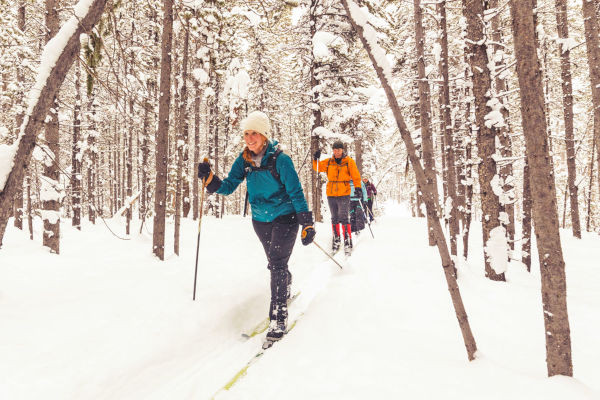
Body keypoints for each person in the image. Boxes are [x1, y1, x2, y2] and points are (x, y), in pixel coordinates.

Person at [197, 111, 315, 345]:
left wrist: (307, 222)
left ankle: (278, 317)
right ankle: (286, 283)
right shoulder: (244, 160)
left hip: (285, 217)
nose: (250, 138)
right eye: (246, 134)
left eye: (254, 134)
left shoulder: (281, 160)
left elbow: (295, 192)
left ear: (265, 135)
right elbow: (229, 186)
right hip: (260, 220)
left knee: (277, 264)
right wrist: (210, 180)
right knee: (275, 263)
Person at [312, 140, 361, 255]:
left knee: (344, 217)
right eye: (334, 150)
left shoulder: (348, 162)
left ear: (342, 150)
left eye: (338, 149)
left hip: (344, 192)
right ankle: (336, 238)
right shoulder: (329, 162)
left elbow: (355, 175)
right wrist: (316, 159)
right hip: (331, 193)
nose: (336, 152)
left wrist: (358, 188)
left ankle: (347, 239)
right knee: (334, 217)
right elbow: (317, 167)